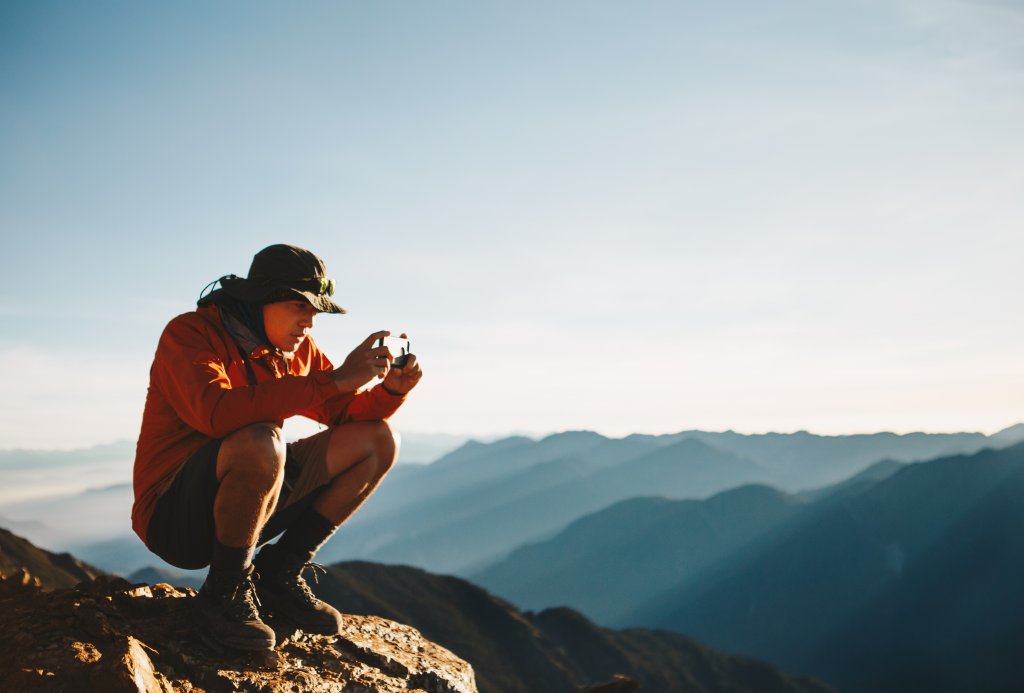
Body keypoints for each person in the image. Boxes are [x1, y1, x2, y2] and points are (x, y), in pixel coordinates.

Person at [131, 244, 422, 651]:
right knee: (260, 438)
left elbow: (341, 412)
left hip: (250, 500)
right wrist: (337, 378)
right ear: (259, 298)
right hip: (173, 515)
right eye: (298, 307)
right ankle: (223, 596)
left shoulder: (295, 352)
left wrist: (389, 391)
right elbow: (213, 413)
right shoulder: (190, 334)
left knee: (379, 440)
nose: (309, 322)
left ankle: (279, 575)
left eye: (315, 313)